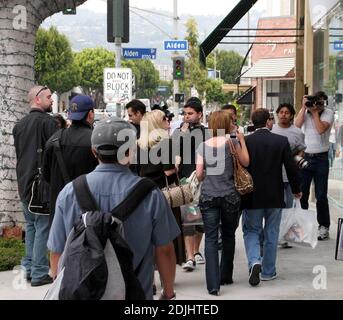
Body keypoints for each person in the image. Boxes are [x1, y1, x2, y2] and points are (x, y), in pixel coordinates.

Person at [47, 117, 180, 300]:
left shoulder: (70, 192)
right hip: (136, 294)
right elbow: (164, 250)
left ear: (94, 151)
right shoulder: (151, 194)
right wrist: (168, 291)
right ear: (131, 151)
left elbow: (57, 250)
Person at [242, 109, 301, 286]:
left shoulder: (246, 141)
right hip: (275, 194)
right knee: (272, 232)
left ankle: (254, 261)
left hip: (251, 195)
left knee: (251, 230)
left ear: (253, 121)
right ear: (268, 122)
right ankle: (268, 272)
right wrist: (296, 189)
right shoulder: (281, 141)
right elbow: (291, 168)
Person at [196, 111, 249, 296]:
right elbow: (246, 162)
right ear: (228, 125)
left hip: (209, 196)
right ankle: (226, 275)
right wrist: (241, 139)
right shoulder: (232, 143)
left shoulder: (203, 146)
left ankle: (213, 285)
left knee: (210, 238)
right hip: (230, 196)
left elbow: (200, 173)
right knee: (228, 235)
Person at [13, 85, 58, 286]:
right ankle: (39, 273)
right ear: (37, 99)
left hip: (23, 183)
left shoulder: (19, 125)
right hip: (41, 186)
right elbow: (55, 156)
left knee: (31, 227)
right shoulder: (48, 123)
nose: (52, 100)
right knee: (41, 227)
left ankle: (30, 269)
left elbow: (20, 156)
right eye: (49, 97)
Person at [138, 110, 186, 266]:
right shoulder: (166, 142)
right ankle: (167, 271)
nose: (168, 120)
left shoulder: (140, 144)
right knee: (168, 233)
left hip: (144, 192)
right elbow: (168, 170)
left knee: (147, 233)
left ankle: (150, 271)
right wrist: (177, 162)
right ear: (157, 123)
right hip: (164, 194)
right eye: (165, 118)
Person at [43, 95, 98, 227]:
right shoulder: (97, 141)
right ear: (90, 114)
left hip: (60, 209)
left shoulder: (54, 140)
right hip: (89, 212)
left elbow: (46, 175)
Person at [172, 97, 210, 271]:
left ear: (199, 114)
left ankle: (196, 251)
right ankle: (189, 256)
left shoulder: (205, 133)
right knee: (188, 217)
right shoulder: (178, 132)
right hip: (185, 180)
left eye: (190, 113)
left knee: (200, 221)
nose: (186, 117)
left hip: (203, 179)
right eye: (185, 113)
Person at [295, 91, 334, 240]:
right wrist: (304, 108)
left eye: (321, 102)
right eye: (316, 101)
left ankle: (323, 227)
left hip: (321, 159)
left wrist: (315, 112)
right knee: (302, 194)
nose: (318, 104)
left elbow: (320, 129)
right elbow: (297, 125)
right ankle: (303, 227)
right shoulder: (306, 112)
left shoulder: (328, 113)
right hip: (305, 157)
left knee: (321, 195)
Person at [272, 103, 306, 208]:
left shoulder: (297, 132)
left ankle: (287, 224)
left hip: (290, 174)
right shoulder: (271, 129)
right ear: (277, 114)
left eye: (287, 113)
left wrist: (296, 163)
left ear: (291, 116)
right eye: (281, 112)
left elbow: (302, 150)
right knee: (275, 205)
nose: (283, 115)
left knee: (289, 206)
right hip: (273, 174)